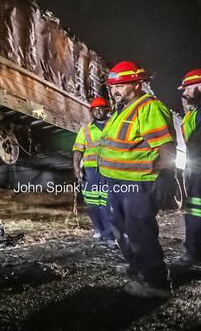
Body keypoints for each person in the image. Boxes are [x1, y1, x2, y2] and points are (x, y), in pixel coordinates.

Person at [98, 61, 176, 298]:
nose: (115, 90)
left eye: (121, 85)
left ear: (137, 83)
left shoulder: (149, 108)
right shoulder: (122, 110)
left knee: (139, 230)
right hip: (115, 182)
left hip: (137, 184)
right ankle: (137, 267)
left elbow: (165, 146)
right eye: (112, 86)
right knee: (120, 228)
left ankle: (156, 283)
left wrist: (166, 175)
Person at [72, 97, 116, 248]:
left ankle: (109, 235)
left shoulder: (114, 124)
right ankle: (98, 229)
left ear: (107, 109)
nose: (98, 111)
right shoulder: (85, 129)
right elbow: (78, 150)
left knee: (108, 202)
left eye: (101, 108)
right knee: (92, 204)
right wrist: (77, 168)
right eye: (94, 109)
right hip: (90, 171)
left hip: (110, 169)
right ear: (91, 112)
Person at [174, 68, 201, 267]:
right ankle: (193, 251)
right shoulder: (192, 115)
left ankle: (193, 253)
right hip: (195, 173)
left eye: (188, 88)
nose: (184, 93)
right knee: (194, 211)